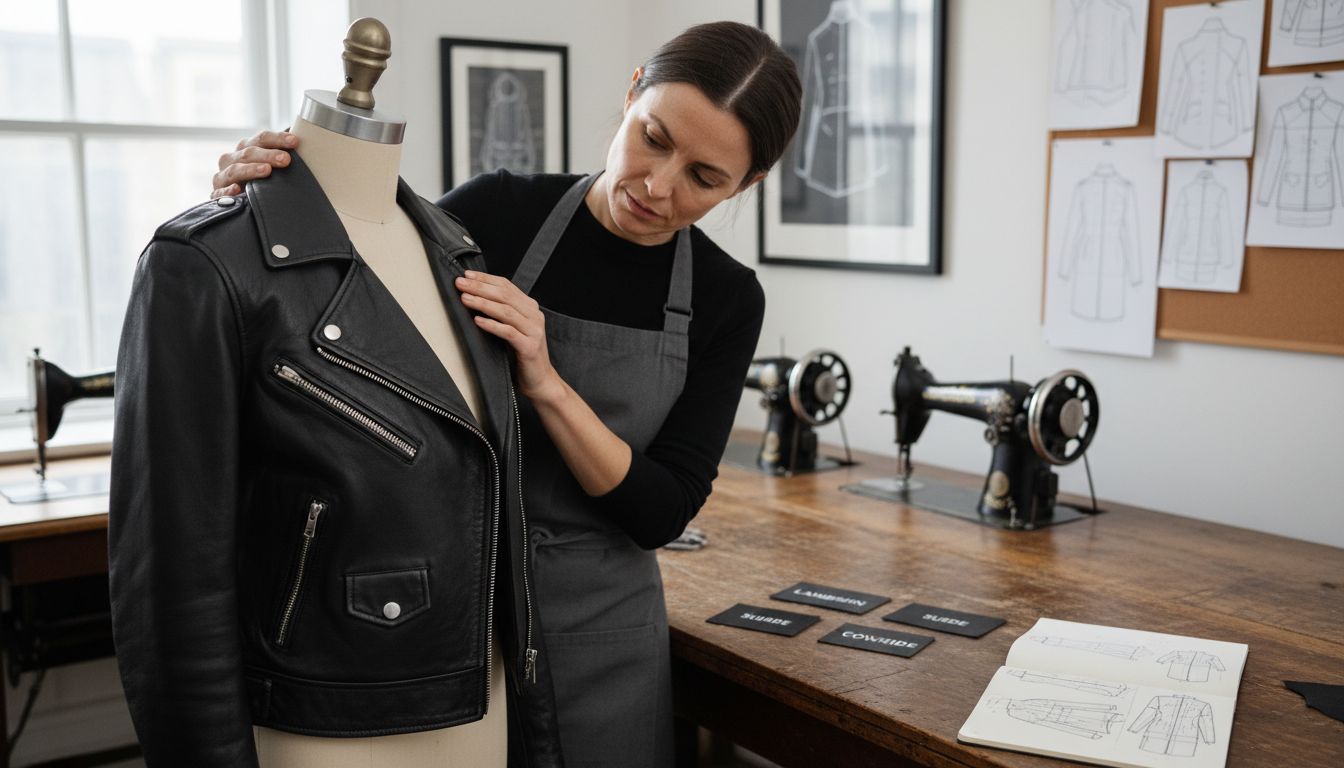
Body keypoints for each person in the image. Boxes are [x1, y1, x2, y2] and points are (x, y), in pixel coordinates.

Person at [212, 20, 801, 767]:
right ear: (631, 95)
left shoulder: (726, 297)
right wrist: (253, 204)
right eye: (653, 137)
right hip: (461, 610)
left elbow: (661, 509)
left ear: (746, 184)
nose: (658, 185)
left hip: (599, 632)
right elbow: (333, 306)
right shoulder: (494, 213)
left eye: (704, 179)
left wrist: (545, 381)